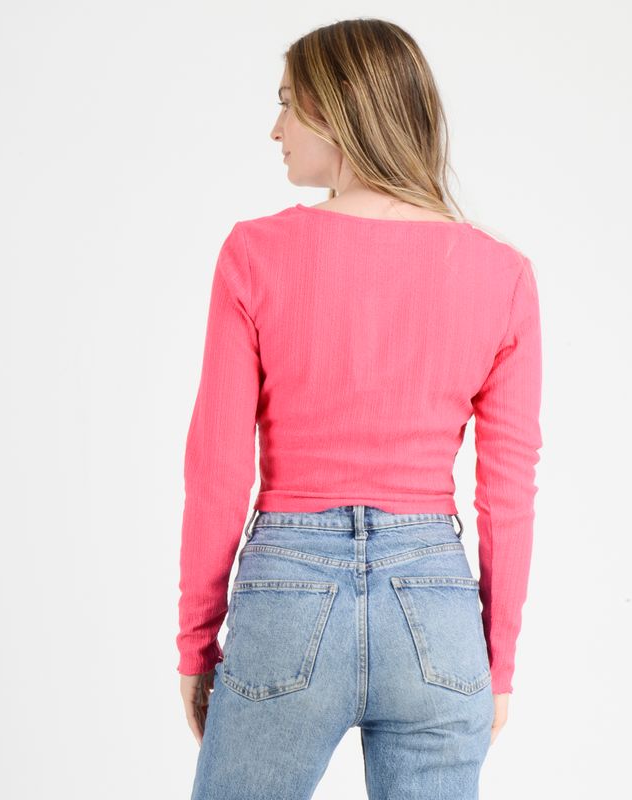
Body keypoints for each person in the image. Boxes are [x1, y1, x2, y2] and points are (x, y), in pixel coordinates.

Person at [176, 17, 543, 800]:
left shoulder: (254, 254)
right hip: (435, 607)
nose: (275, 129)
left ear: (340, 106)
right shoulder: (502, 274)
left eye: (288, 103)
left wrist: (196, 646)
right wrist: (499, 662)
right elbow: (508, 490)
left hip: (288, 596)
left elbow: (216, 469)